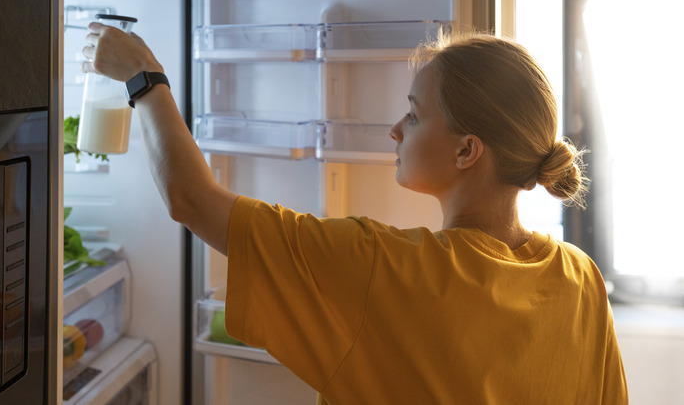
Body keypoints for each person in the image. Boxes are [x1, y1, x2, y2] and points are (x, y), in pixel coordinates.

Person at [83, 24, 628, 404]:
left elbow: (192, 200)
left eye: (413, 115)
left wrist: (144, 77)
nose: (395, 130)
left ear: (467, 151)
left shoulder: (380, 268)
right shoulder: (581, 279)